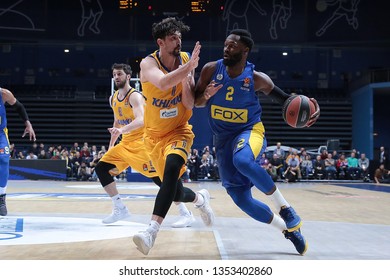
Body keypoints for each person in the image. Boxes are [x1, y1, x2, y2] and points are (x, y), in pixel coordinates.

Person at [194, 29, 319, 255]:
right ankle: (288, 230)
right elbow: (197, 102)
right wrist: (206, 97)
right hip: (222, 139)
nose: (226, 48)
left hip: (249, 131)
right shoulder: (211, 70)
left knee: (242, 160)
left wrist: (309, 112)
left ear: (245, 51)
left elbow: (288, 101)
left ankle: (286, 209)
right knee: (241, 200)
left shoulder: (258, 79)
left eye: (232, 45)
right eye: (225, 44)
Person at [132, 17, 214, 255]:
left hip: (179, 130)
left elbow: (189, 101)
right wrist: (188, 69)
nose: (178, 41)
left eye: (179, 37)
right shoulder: (148, 64)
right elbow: (165, 84)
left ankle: (150, 232)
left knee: (171, 169)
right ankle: (199, 199)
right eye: (172, 38)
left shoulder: (186, 59)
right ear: (161, 42)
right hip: (154, 136)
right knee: (174, 190)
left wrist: (199, 91)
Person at [94, 63, 195, 228]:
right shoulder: (112, 98)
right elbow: (116, 124)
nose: (116, 77)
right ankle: (120, 208)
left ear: (128, 76)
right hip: (125, 144)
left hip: (142, 143)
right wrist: (111, 145)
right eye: (114, 74)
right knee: (101, 168)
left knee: (164, 182)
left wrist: (122, 130)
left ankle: (187, 212)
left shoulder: (135, 96)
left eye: (119, 74)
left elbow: (142, 120)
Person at [1, 87, 36, 216]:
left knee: (4, 159)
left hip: (0, 134)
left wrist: (28, 124)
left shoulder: (4, 94)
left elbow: (19, 107)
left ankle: (1, 198)